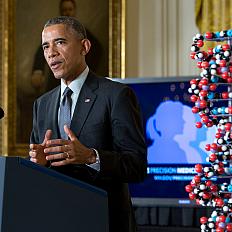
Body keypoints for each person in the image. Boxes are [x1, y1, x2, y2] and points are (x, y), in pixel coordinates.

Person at [29, 16, 147, 232]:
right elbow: (39, 169)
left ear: (84, 46)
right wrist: (39, 163)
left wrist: (91, 156)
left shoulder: (116, 95)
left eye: (60, 42)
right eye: (46, 46)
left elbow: (136, 166)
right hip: (55, 220)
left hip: (104, 221)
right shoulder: (42, 104)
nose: (51, 52)